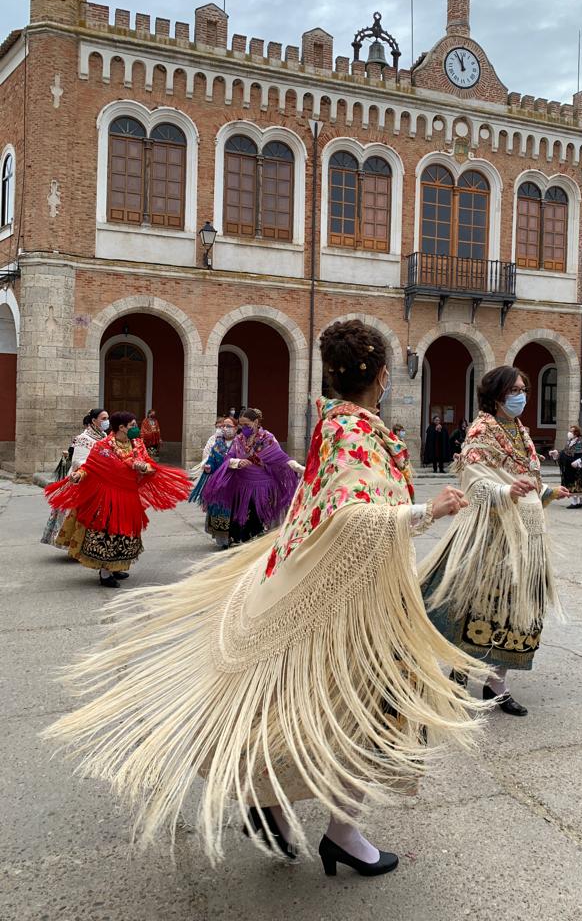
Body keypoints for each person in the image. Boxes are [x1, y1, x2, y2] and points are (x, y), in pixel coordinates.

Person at [44, 319, 485, 878]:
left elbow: (323, 500)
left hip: (338, 583)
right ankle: (333, 828)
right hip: (347, 598)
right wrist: (426, 511)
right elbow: (349, 515)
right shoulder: (353, 430)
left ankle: (282, 809)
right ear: (380, 376)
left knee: (316, 705)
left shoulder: (342, 424)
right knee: (366, 706)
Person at [420, 366, 569, 718]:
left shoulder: (520, 431)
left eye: (523, 389)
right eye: (515, 390)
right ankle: (460, 673)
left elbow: (524, 478)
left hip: (526, 534)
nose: (522, 396)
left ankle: (496, 682)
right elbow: (475, 483)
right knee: (478, 606)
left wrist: (548, 492)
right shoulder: (481, 430)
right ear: (497, 395)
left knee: (517, 611)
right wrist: (506, 491)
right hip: (493, 536)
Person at [45, 411, 190, 587]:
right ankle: (105, 573)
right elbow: (89, 467)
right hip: (108, 496)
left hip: (128, 495)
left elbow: (150, 465)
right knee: (108, 533)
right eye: (132, 425)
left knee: (125, 532)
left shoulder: (137, 444)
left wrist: (144, 467)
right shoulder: (103, 446)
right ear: (121, 428)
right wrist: (78, 475)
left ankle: (115, 567)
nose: (136, 428)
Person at [202, 408, 303, 547]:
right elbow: (228, 458)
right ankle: (238, 545)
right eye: (241, 425)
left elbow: (281, 458)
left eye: (246, 424)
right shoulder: (239, 439)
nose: (243, 428)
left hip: (261, 489)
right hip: (241, 488)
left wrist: (301, 469)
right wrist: (238, 462)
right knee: (239, 521)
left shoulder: (267, 438)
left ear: (255, 422)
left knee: (256, 522)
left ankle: (254, 547)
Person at [41, 409, 110, 547]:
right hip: (83, 480)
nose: (106, 421)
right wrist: (98, 466)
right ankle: (76, 545)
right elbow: (78, 461)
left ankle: (95, 547)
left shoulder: (105, 436)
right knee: (79, 515)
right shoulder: (83, 439)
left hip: (101, 481)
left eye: (107, 418)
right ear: (94, 421)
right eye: (103, 419)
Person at [188, 417, 238, 549]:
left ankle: (234, 537)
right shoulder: (217, 444)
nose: (225, 429)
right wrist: (208, 467)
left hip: (235, 483)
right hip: (219, 484)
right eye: (224, 426)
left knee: (234, 511)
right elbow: (211, 460)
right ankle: (222, 540)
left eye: (229, 426)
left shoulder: (240, 443)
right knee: (220, 510)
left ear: (236, 428)